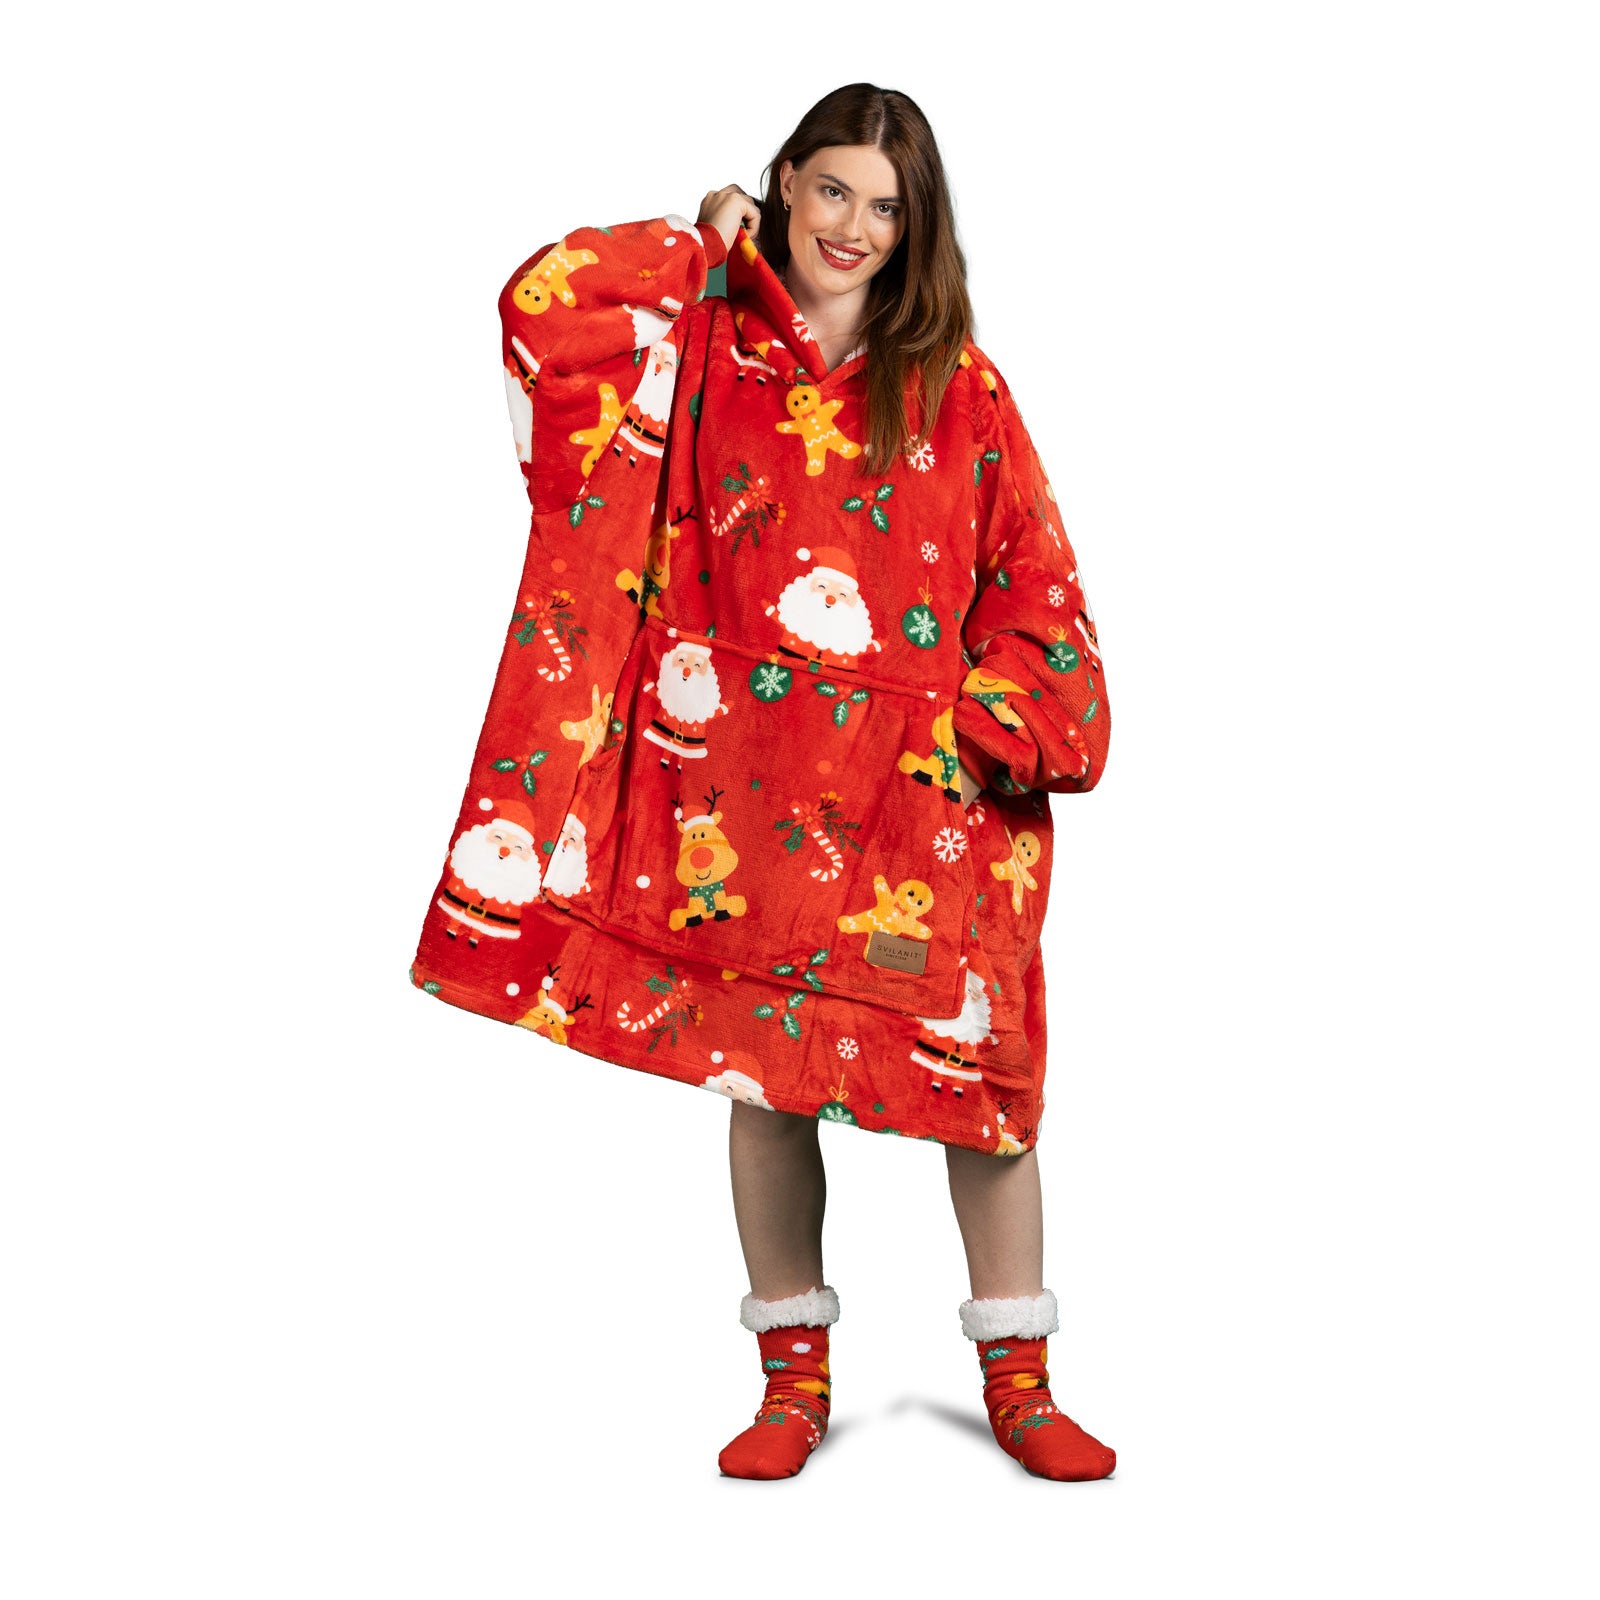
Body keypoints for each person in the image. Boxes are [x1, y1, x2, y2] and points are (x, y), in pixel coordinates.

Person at [408, 83, 1115, 1482]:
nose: (855, 227)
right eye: (833, 189)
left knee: (980, 1092)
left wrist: (990, 722)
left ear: (917, 228)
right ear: (785, 181)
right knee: (767, 1079)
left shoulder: (960, 387)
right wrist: (693, 238)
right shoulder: (697, 338)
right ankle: (792, 1379)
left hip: (918, 810)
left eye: (887, 207)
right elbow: (544, 309)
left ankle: (1020, 1383)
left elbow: (1036, 578)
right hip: (741, 795)